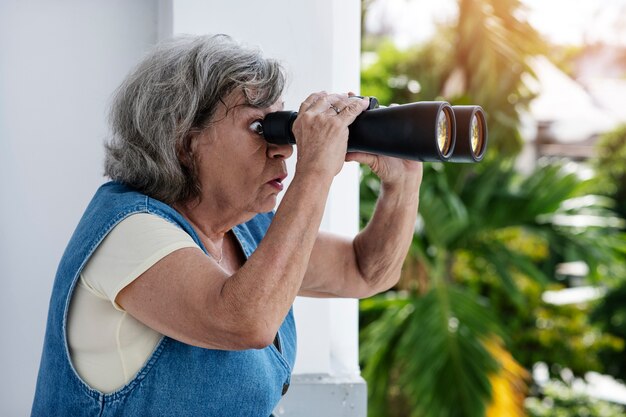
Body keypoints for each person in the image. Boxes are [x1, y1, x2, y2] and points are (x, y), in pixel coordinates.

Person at [31, 34, 423, 417]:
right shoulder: (130, 231)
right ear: (184, 142)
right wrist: (316, 168)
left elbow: (364, 270)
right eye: (259, 128)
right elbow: (245, 322)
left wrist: (403, 181)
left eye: (282, 125)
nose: (284, 147)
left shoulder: (248, 229)